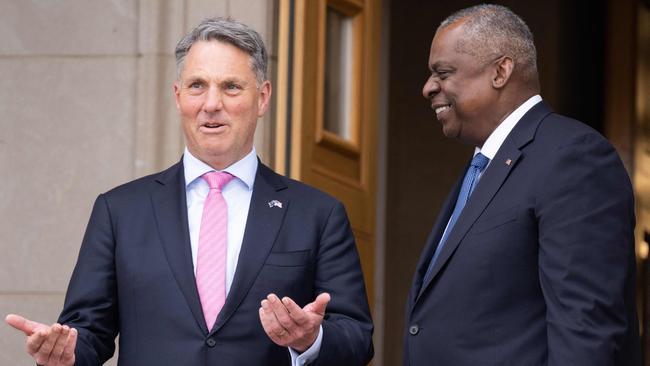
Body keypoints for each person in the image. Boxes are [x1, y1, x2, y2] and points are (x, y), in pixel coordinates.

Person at [5, 17, 373, 366]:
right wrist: (65, 354)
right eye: (198, 85)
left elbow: (357, 339)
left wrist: (312, 340)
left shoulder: (317, 214)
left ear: (262, 98)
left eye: (231, 86)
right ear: (178, 96)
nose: (211, 104)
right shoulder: (120, 211)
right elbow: (88, 332)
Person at [404, 4, 640, 365]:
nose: (428, 88)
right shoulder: (483, 167)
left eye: (444, 73)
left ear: (501, 71)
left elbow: (585, 329)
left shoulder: (572, 157)